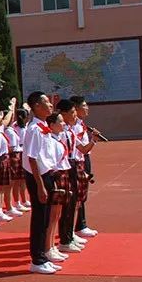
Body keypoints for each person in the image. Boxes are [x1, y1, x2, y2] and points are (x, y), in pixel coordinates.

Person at [22, 91, 59, 274]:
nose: (50, 105)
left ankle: (43, 256)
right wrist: (40, 185)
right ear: (37, 106)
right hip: (38, 177)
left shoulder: (43, 126)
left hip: (46, 175)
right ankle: (37, 260)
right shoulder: (34, 129)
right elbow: (32, 158)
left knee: (45, 219)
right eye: (46, 102)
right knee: (39, 219)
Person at [56, 100, 90, 255]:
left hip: (74, 165)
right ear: (63, 114)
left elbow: (81, 149)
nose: (75, 114)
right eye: (72, 112)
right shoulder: (59, 132)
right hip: (65, 167)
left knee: (74, 201)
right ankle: (65, 239)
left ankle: (70, 235)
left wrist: (94, 141)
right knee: (66, 204)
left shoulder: (70, 131)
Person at [43, 110, 72, 267]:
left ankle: (52, 246)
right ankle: (47, 248)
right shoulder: (51, 141)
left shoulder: (59, 138)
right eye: (60, 122)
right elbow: (51, 163)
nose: (63, 124)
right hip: (55, 175)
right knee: (52, 215)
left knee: (58, 213)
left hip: (62, 174)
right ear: (52, 125)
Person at [70, 95, 99, 239]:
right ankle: (77, 227)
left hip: (84, 157)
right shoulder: (73, 125)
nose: (87, 108)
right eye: (84, 105)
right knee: (77, 194)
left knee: (82, 193)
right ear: (75, 108)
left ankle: (81, 224)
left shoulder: (81, 123)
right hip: (77, 159)